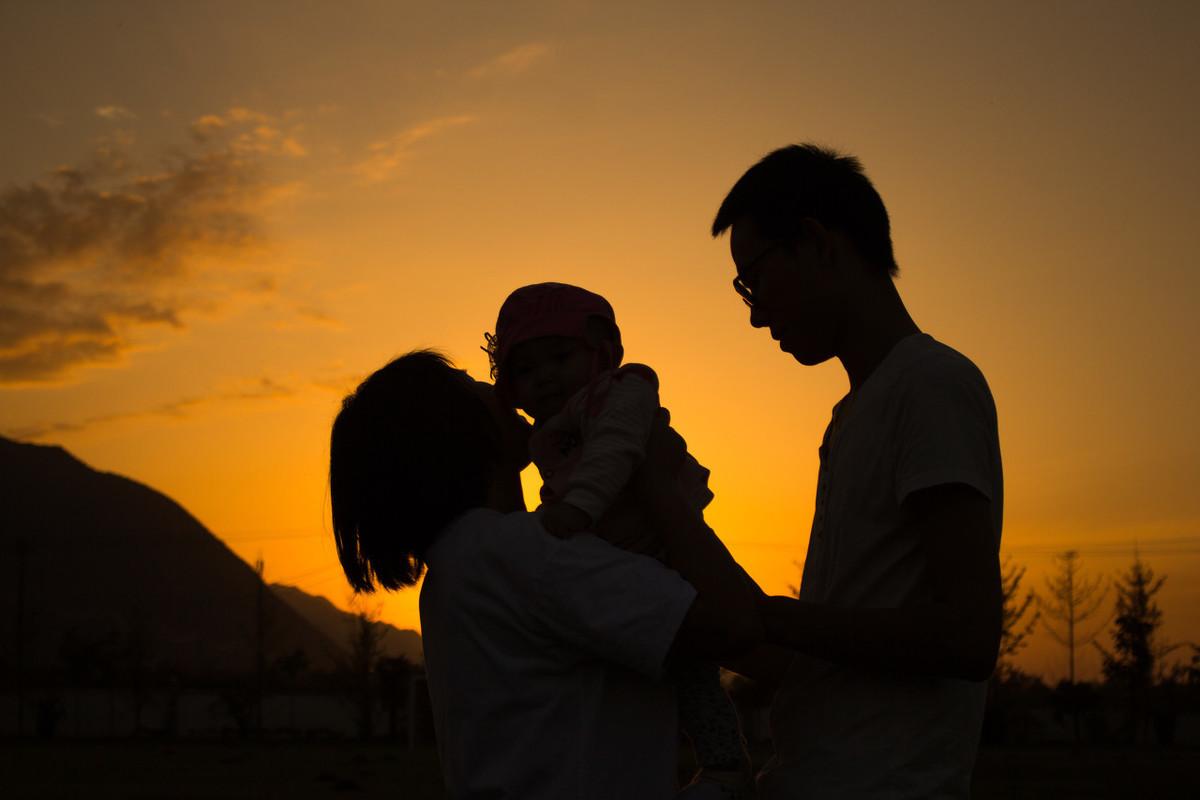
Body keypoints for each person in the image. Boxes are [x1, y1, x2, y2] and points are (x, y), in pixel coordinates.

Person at [328, 350, 763, 799]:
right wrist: (651, 473)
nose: (501, 389)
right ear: (452, 427)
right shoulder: (519, 553)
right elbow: (738, 626)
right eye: (471, 382)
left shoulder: (462, 566)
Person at [711, 144, 1004, 799]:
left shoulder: (931, 386)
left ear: (815, 242)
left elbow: (968, 634)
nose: (755, 314)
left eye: (753, 281)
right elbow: (827, 650)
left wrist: (775, 618)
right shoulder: (851, 418)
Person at [485, 282, 753, 797]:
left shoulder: (622, 392)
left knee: (696, 664)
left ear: (600, 351)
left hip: (665, 548)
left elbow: (616, 452)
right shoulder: (547, 430)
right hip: (615, 555)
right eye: (525, 370)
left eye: (560, 357)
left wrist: (577, 510)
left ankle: (725, 763)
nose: (544, 378)